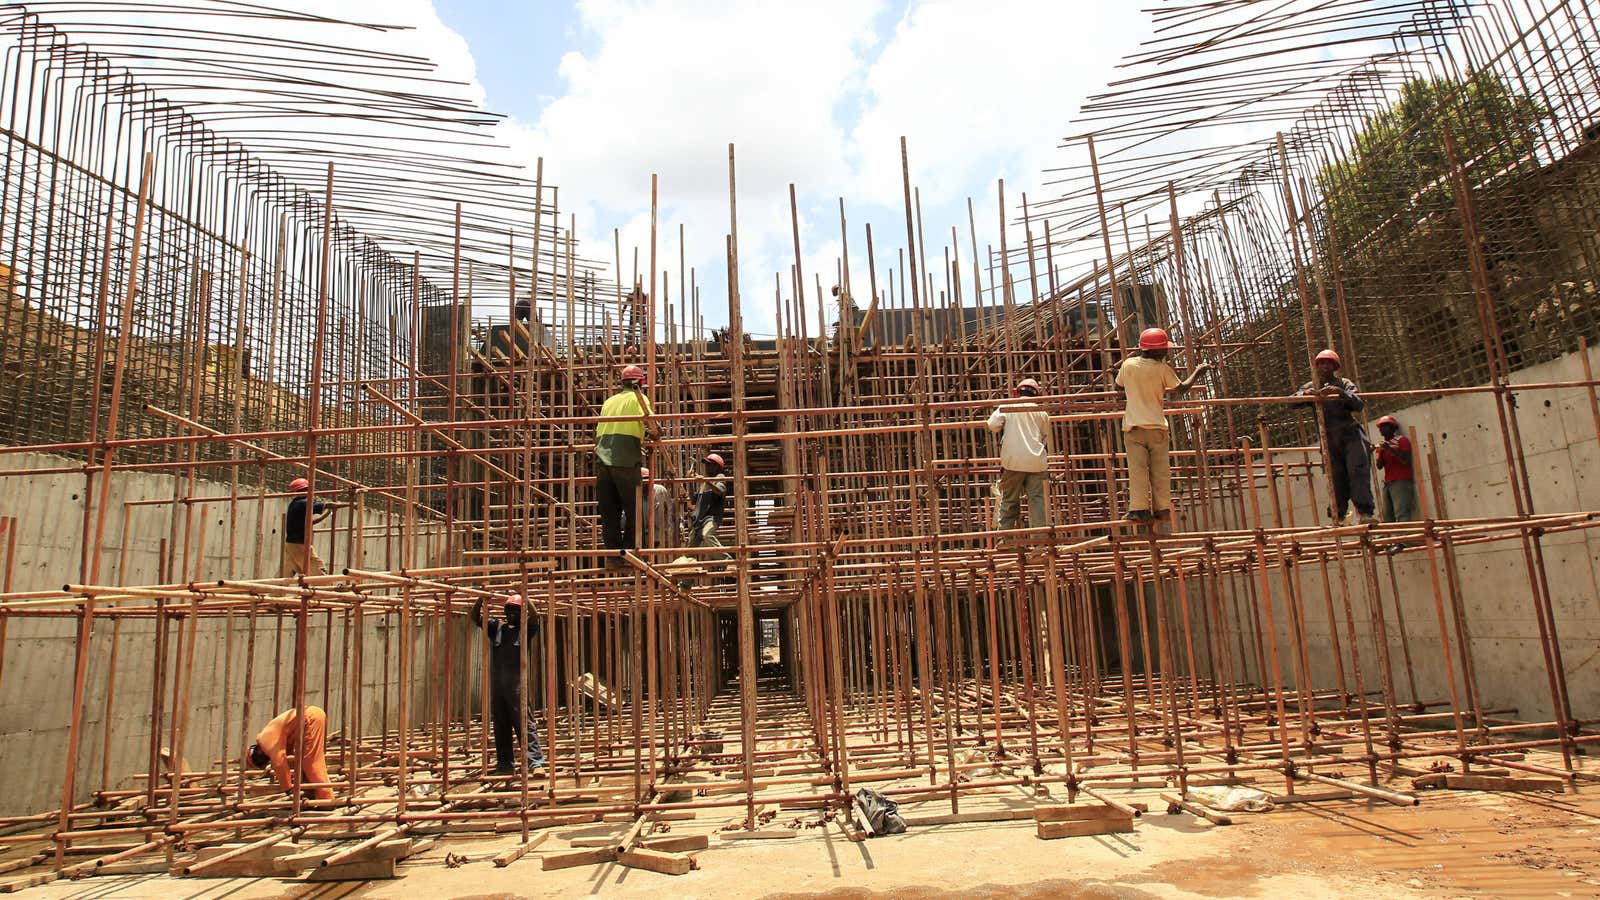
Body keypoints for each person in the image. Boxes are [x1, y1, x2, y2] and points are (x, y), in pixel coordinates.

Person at [1115, 328, 1211, 524]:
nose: (1167, 353)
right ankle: (1164, 509)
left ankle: (1139, 509)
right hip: (1158, 428)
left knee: (1138, 470)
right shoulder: (1162, 369)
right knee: (1161, 471)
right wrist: (1197, 372)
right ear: (1156, 351)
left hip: (1134, 428)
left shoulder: (1128, 365)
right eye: (1164, 350)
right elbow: (1181, 388)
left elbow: (1118, 386)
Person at [1296, 349, 1378, 525]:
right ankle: (1339, 514)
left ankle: (1365, 513)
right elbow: (1292, 401)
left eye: (1329, 363)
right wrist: (1306, 394)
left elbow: (1358, 404)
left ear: (1335, 367)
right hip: (1329, 439)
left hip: (1351, 436)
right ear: (1317, 366)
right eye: (1322, 363)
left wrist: (1341, 392)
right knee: (1336, 477)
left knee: (1357, 472)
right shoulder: (1312, 385)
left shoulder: (1344, 383)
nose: (1326, 366)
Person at [470, 595, 547, 775]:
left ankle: (535, 762)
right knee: (500, 724)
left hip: (517, 687)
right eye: (509, 609)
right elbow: (474, 617)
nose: (512, 613)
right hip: (498, 686)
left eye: (516, 610)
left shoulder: (526, 630)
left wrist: (526, 596)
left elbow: (535, 617)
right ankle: (505, 763)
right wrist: (480, 600)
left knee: (525, 724)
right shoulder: (496, 628)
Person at [593, 364, 655, 564]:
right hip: (626, 459)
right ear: (639, 383)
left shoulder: (609, 402)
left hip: (602, 461)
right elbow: (651, 425)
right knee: (634, 510)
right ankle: (629, 554)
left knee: (609, 512)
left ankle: (613, 556)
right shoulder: (639, 399)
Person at [985, 377, 1052, 530]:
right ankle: (1039, 542)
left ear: (1017, 393)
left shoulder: (1009, 406)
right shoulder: (1042, 412)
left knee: (1009, 500)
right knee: (1038, 502)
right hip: (1036, 462)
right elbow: (1044, 437)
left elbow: (992, 425)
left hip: (1012, 461)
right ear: (1036, 395)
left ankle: (1005, 539)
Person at [247, 706, 333, 800]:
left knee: (310, 763)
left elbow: (279, 764)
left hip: (310, 718)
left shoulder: (266, 741)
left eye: (259, 762)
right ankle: (313, 792)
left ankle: (326, 798)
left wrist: (288, 789)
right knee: (304, 761)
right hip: (310, 717)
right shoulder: (267, 738)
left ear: (257, 752)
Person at [281, 478, 339, 577]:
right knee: (317, 570)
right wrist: (351, 505)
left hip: (291, 544)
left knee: (286, 572)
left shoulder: (295, 504)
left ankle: (274, 591)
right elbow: (328, 505)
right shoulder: (303, 503)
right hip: (300, 544)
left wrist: (326, 514)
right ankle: (323, 590)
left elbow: (310, 523)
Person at [1374, 415, 1416, 522]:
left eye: (1385, 426)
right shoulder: (1382, 446)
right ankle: (1393, 537)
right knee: (1387, 516)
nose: (1382, 429)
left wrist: (1390, 449)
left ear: (1393, 428)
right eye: (1381, 427)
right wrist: (1381, 451)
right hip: (1388, 483)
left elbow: (1405, 460)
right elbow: (1379, 466)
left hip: (1401, 481)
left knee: (1401, 512)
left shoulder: (1401, 440)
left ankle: (1404, 536)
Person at [688, 453, 730, 557]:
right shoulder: (704, 484)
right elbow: (693, 502)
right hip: (699, 520)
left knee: (707, 535)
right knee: (690, 550)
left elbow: (720, 491)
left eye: (709, 465)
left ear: (717, 467)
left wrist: (706, 481)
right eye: (706, 465)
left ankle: (727, 560)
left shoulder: (719, 477)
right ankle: (686, 568)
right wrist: (690, 482)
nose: (707, 467)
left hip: (710, 518)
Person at [642, 467, 677, 550]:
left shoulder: (660, 490)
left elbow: (671, 510)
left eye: (647, 479)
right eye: (643, 479)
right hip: (643, 535)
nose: (645, 482)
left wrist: (671, 530)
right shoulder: (635, 493)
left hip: (660, 534)